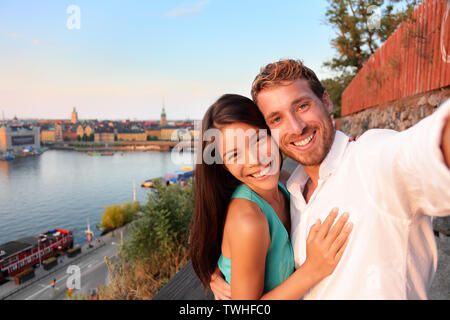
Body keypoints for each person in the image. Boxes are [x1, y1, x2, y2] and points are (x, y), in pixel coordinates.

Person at [210, 59, 450, 299]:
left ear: (326, 101)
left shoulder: (370, 158)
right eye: (277, 119)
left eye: (302, 106)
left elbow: (422, 149)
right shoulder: (292, 188)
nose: (296, 127)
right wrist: (216, 272)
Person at [190, 94, 353, 300]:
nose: (255, 160)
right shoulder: (248, 220)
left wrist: (348, 150)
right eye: (234, 155)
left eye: (257, 140)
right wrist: (312, 269)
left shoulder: (284, 185)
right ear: (223, 165)